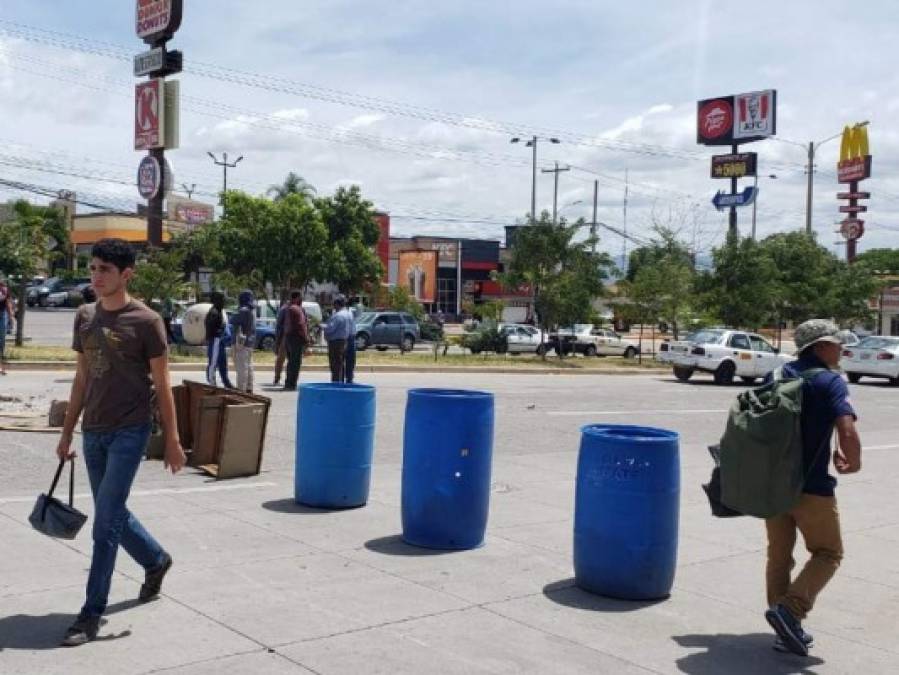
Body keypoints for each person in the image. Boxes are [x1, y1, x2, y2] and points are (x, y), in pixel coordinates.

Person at [55, 238, 186, 647]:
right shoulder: (84, 317)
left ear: (126, 274)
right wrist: (66, 431)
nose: (96, 277)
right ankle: (155, 559)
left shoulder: (147, 321)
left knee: (104, 525)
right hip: (93, 431)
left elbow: (163, 385)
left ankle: (91, 613)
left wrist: (173, 441)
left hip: (131, 431)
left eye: (104, 270)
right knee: (111, 513)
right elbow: (81, 378)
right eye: (93, 268)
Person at [763, 319, 861, 657]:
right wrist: (855, 462)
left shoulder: (775, 376)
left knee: (779, 557)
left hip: (772, 486)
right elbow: (846, 430)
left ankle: (783, 629)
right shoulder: (829, 382)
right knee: (828, 553)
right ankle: (790, 612)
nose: (841, 349)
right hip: (812, 488)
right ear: (818, 347)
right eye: (835, 343)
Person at [204, 291, 233, 389]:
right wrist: (220, 331)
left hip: (219, 341)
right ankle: (212, 383)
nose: (224, 302)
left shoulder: (218, 310)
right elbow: (210, 327)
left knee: (222, 362)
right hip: (216, 340)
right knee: (213, 362)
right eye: (222, 300)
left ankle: (226, 382)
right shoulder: (214, 312)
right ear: (217, 300)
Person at [230, 289, 256, 393]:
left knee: (241, 369)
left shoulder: (243, 311)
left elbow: (232, 320)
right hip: (249, 343)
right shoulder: (251, 311)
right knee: (249, 367)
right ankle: (249, 388)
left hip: (241, 344)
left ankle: (241, 391)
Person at [282, 290, 309, 391]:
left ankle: (288, 382)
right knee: (295, 363)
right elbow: (301, 325)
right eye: (300, 297)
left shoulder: (288, 308)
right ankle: (291, 384)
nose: (301, 299)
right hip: (296, 339)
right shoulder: (296, 309)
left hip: (289, 338)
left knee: (291, 362)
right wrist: (306, 339)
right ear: (296, 298)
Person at [323, 295, 352, 383]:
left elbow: (330, 328)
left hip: (335, 342)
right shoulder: (347, 314)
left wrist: (321, 326)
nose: (333, 306)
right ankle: (339, 381)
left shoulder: (338, 316)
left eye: (334, 304)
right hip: (343, 341)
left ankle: (335, 382)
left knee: (335, 364)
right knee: (340, 363)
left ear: (337, 304)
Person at [272, 299, 289, 386]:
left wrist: (277, 340)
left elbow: (278, 326)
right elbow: (279, 326)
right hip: (286, 337)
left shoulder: (283, 309)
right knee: (282, 359)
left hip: (285, 337)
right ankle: (278, 378)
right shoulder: (284, 309)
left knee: (280, 359)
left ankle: (278, 378)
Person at [0, 276, 15, 375]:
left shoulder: (4, 288)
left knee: (1, 341)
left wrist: (11, 317)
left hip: (2, 315)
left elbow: (8, 303)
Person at [343, 303, 358, 384]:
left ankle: (349, 377)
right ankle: (346, 378)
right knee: (347, 359)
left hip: (351, 337)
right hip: (347, 337)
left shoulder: (351, 312)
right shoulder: (344, 313)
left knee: (351, 360)